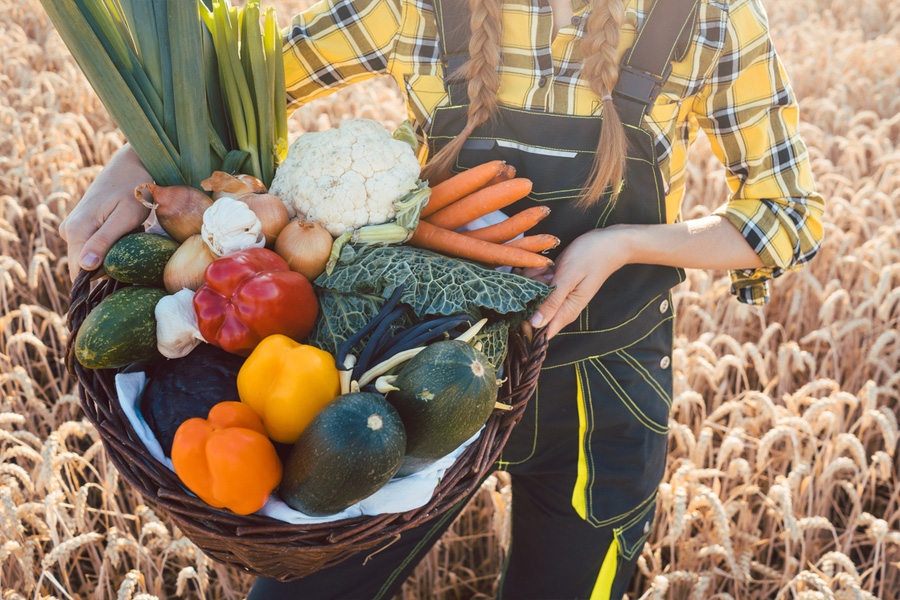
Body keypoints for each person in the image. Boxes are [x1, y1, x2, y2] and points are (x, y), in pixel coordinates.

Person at [60, 0, 824, 597]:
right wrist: (141, 162)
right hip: (409, 371)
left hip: (603, 395)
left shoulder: (706, 18)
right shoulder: (416, 7)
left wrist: (625, 242)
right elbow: (233, 95)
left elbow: (787, 213)